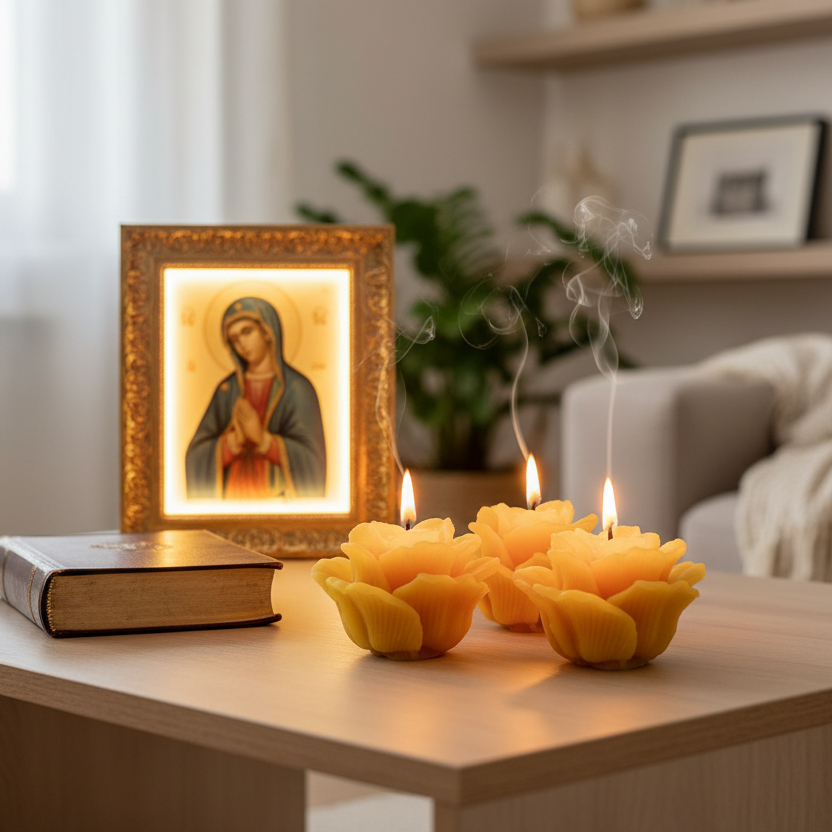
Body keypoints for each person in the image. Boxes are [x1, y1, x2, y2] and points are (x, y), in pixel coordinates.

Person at [186, 297, 326, 499]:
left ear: (267, 331)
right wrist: (233, 442)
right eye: (234, 339)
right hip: (232, 498)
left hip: (278, 500)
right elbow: (195, 454)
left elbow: (312, 459)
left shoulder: (297, 388)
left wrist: (264, 441)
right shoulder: (227, 390)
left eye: (247, 332)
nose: (241, 344)